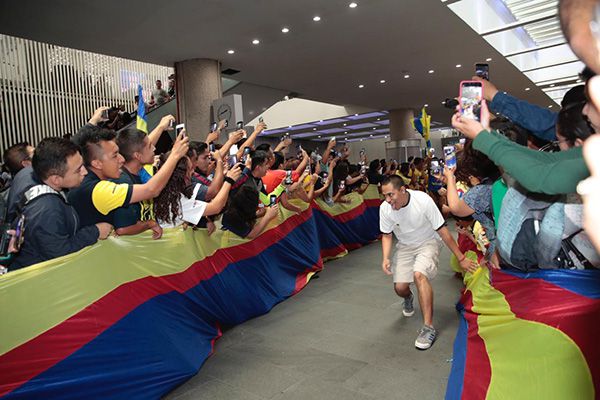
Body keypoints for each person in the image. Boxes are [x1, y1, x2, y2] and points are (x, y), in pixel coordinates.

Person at [379, 175, 477, 350]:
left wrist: (461, 258)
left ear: (403, 190)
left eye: (390, 195)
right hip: (405, 246)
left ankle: (428, 327)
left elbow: (443, 231)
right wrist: (385, 257)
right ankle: (408, 297)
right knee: (400, 288)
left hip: (428, 242)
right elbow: (386, 235)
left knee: (419, 275)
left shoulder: (423, 200)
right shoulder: (385, 209)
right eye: (384, 195)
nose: (387, 200)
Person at [10, 138, 112, 270]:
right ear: (56, 179)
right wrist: (95, 231)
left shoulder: (26, 174)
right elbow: (59, 255)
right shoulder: (47, 211)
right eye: (78, 170)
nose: (85, 172)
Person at [68, 128, 189, 227]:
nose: (122, 159)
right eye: (115, 155)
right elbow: (151, 190)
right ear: (97, 163)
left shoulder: (90, 182)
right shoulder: (98, 190)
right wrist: (175, 155)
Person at [154, 154, 242, 228]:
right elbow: (216, 207)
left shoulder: (163, 192)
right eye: (190, 169)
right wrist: (229, 181)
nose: (193, 172)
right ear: (181, 175)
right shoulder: (179, 201)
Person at [111, 128, 163, 238]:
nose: (154, 148)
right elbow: (123, 229)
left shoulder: (138, 176)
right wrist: (150, 223)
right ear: (137, 156)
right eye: (149, 146)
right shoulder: (123, 182)